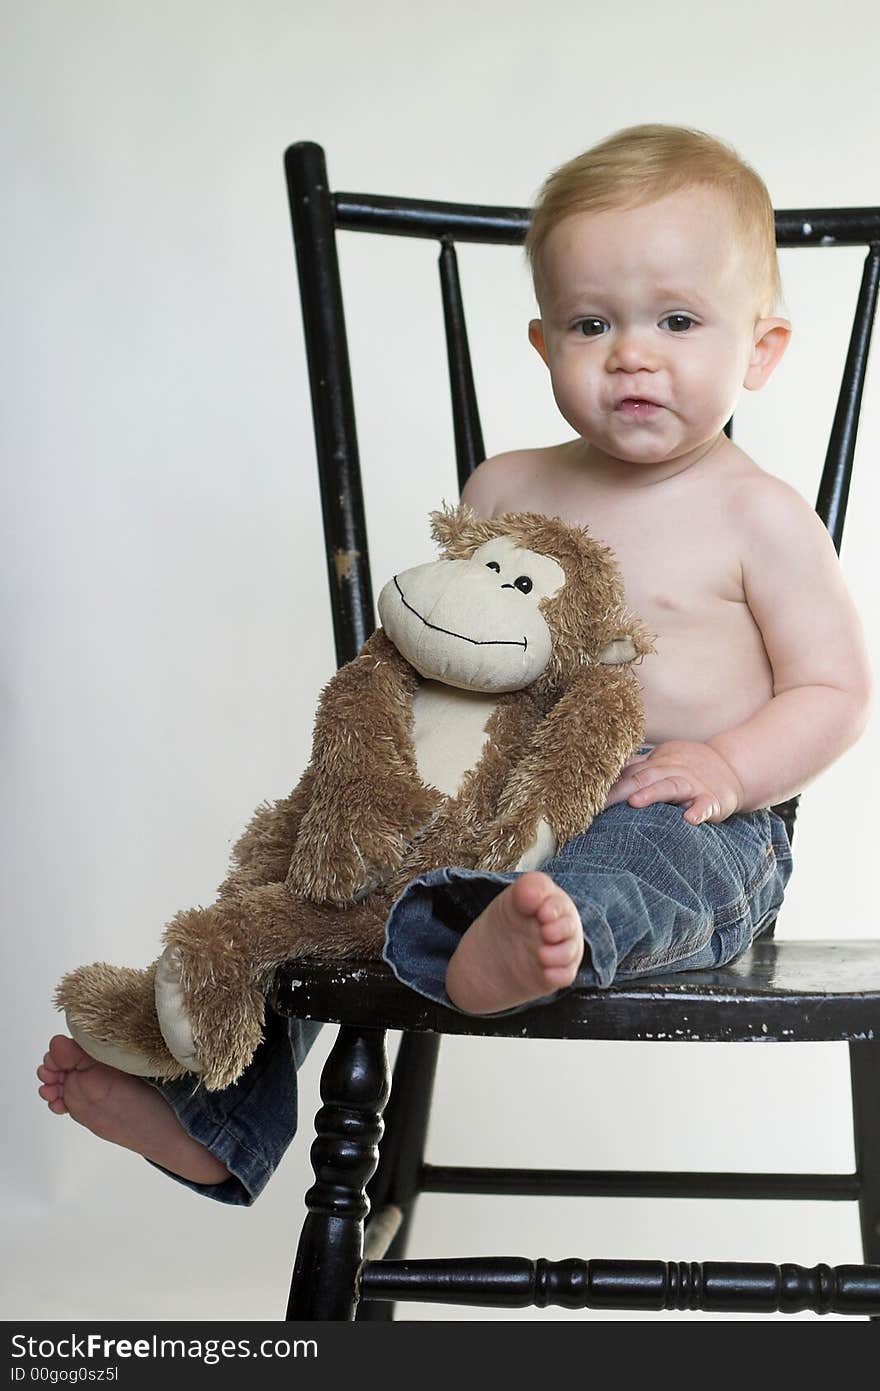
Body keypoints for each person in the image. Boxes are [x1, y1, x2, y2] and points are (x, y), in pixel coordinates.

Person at [37, 124, 872, 1204]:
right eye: (590, 322)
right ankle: (214, 1119)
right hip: (491, 796)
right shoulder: (503, 488)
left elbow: (837, 691)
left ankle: (501, 939)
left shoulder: (760, 517)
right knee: (316, 890)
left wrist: (728, 765)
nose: (631, 351)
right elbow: (445, 663)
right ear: (542, 343)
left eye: (676, 320)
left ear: (759, 349)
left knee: (626, 871)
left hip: (684, 812)